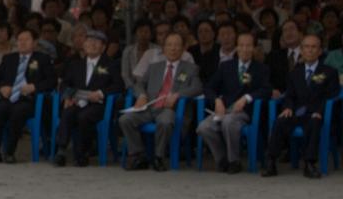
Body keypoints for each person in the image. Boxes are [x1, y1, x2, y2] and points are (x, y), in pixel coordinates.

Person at [119, 33, 202, 171]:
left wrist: (177, 94)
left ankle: (159, 157)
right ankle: (138, 155)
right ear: (163, 48)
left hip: (169, 109)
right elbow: (139, 84)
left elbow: (197, 87)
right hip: (149, 107)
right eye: (169, 45)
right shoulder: (154, 67)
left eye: (177, 45)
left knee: (165, 121)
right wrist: (141, 95)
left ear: (183, 49)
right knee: (125, 120)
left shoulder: (190, 68)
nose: (173, 48)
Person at [263, 33, 339, 179]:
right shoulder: (294, 73)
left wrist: (320, 111)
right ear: (302, 50)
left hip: (316, 113)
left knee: (315, 122)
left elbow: (332, 96)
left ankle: (309, 164)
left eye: (313, 47)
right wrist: (288, 107)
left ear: (320, 51)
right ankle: (271, 161)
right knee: (280, 121)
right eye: (306, 47)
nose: (310, 50)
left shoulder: (329, 72)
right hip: (297, 113)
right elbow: (289, 95)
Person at [199, 32, 270, 173]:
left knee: (229, 122)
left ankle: (234, 161)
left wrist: (247, 98)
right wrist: (217, 100)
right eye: (242, 45)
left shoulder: (261, 69)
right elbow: (208, 87)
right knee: (203, 127)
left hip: (244, 111)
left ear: (254, 48)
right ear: (237, 48)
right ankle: (222, 159)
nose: (245, 49)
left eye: (248, 45)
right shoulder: (226, 66)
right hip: (224, 109)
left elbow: (266, 90)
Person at [53, 30, 123, 167]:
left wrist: (101, 93)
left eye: (97, 42)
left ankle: (82, 153)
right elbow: (65, 83)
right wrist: (67, 96)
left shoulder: (111, 64)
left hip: (98, 104)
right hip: (77, 101)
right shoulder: (75, 64)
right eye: (89, 41)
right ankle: (61, 151)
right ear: (84, 45)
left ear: (103, 47)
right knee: (67, 113)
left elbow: (119, 85)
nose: (92, 44)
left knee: (84, 117)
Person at [0, 29, 55, 164]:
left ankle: (10, 152)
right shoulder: (9, 58)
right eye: (19, 40)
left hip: (29, 100)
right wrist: (1, 88)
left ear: (34, 43)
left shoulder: (42, 59)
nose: (22, 43)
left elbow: (52, 81)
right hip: (9, 97)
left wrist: (35, 86)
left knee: (18, 112)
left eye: (26, 40)